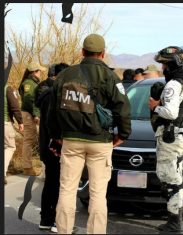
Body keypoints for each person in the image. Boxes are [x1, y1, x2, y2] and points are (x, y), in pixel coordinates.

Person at [47, 33, 131, 234]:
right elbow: (123, 109)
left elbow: (53, 110)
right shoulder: (111, 77)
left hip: (71, 141)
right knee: (98, 194)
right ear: (103, 54)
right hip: (100, 141)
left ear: (82, 52)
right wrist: (123, 135)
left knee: (67, 190)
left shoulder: (65, 75)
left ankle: (64, 231)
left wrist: (57, 135)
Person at [148, 46, 183, 233]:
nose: (163, 68)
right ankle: (175, 220)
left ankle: (174, 222)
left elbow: (170, 112)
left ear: (171, 65)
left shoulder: (174, 84)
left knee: (169, 182)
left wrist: (156, 106)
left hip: (171, 139)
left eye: (164, 64)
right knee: (175, 179)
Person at [34, 63, 69, 232]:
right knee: (57, 184)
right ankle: (53, 220)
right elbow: (53, 124)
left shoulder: (47, 94)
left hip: (47, 145)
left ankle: (46, 220)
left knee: (50, 183)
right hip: (54, 146)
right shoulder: (54, 96)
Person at [18, 61, 46, 176]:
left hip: (29, 113)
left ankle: (28, 165)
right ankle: (27, 167)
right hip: (29, 114)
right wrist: (35, 114)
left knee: (30, 139)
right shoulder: (29, 83)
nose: (41, 73)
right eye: (39, 71)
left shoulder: (30, 82)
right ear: (35, 72)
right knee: (29, 140)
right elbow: (29, 100)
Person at [4, 84, 24, 184]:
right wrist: (20, 121)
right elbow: (15, 107)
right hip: (5, 122)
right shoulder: (8, 89)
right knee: (10, 147)